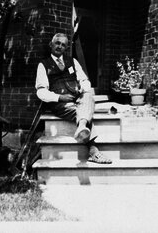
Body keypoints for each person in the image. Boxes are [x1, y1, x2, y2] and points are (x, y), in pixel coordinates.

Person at [35, 33, 112, 164]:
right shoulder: (43, 65)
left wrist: (81, 88)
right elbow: (41, 91)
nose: (60, 46)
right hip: (60, 104)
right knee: (84, 112)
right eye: (57, 43)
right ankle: (93, 151)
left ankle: (82, 125)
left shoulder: (72, 61)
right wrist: (59, 97)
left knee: (88, 95)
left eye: (63, 45)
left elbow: (85, 81)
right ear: (51, 45)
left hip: (77, 98)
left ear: (66, 48)